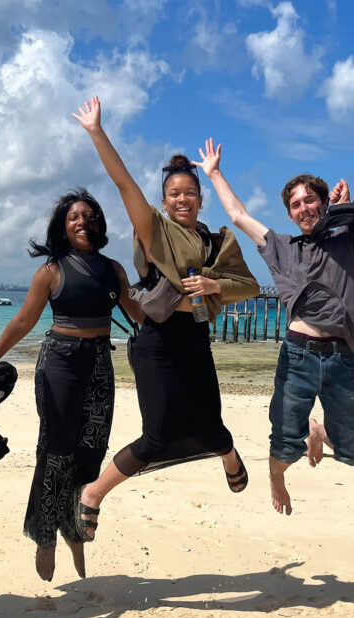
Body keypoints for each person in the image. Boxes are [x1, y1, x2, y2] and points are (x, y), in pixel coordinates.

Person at [202, 60, 354, 517]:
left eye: (309, 199)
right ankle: (277, 479)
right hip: (297, 353)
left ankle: (324, 432)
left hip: (341, 357)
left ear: (323, 202)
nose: (303, 208)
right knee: (284, 446)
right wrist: (214, 173)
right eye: (295, 204)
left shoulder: (349, 237)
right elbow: (238, 216)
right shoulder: (279, 247)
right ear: (290, 212)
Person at [72, 96, 260, 544]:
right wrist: (97, 131)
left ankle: (230, 456)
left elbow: (250, 285)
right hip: (155, 342)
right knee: (157, 437)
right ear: (163, 200)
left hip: (196, 339)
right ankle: (93, 494)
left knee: (212, 428)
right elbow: (122, 184)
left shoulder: (219, 243)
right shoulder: (154, 229)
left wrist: (215, 287)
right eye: (174, 194)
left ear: (200, 198)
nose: (182, 199)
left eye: (189, 193)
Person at [0, 189, 143, 581]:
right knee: (56, 451)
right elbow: (23, 321)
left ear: (100, 224)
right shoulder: (51, 271)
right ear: (63, 225)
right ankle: (46, 535)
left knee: (92, 449)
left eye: (90, 216)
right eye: (75, 217)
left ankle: (74, 531)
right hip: (59, 361)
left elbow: (138, 313)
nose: (83, 222)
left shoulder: (113, 269)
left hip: (98, 362)